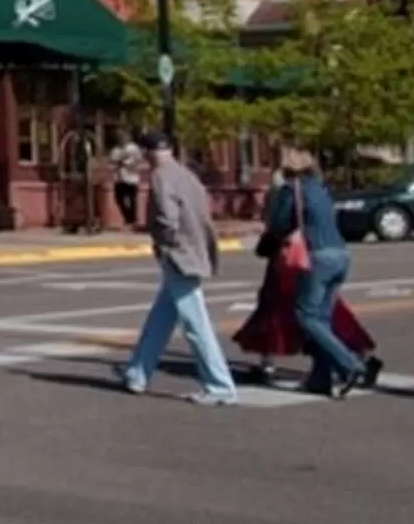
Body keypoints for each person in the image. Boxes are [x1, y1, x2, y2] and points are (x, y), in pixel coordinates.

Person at [115, 131, 239, 405]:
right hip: (194, 251)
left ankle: (220, 386)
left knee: (196, 323)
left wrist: (162, 243)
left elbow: (167, 219)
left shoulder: (160, 177)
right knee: (161, 319)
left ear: (148, 153)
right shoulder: (187, 176)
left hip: (178, 255)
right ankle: (137, 373)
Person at [255, 145, 381, 399]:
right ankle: (320, 378)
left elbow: (279, 225)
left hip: (317, 257)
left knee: (306, 317)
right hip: (340, 255)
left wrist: (267, 242)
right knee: (322, 320)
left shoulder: (292, 190)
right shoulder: (321, 189)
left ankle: (351, 366)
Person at [109, 134, 147, 231]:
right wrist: (118, 161)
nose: (121, 139)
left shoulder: (133, 148)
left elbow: (138, 159)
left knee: (132, 199)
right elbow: (112, 160)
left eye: (123, 138)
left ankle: (133, 220)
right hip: (119, 177)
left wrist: (128, 162)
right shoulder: (116, 149)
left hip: (131, 177)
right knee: (118, 198)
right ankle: (128, 218)